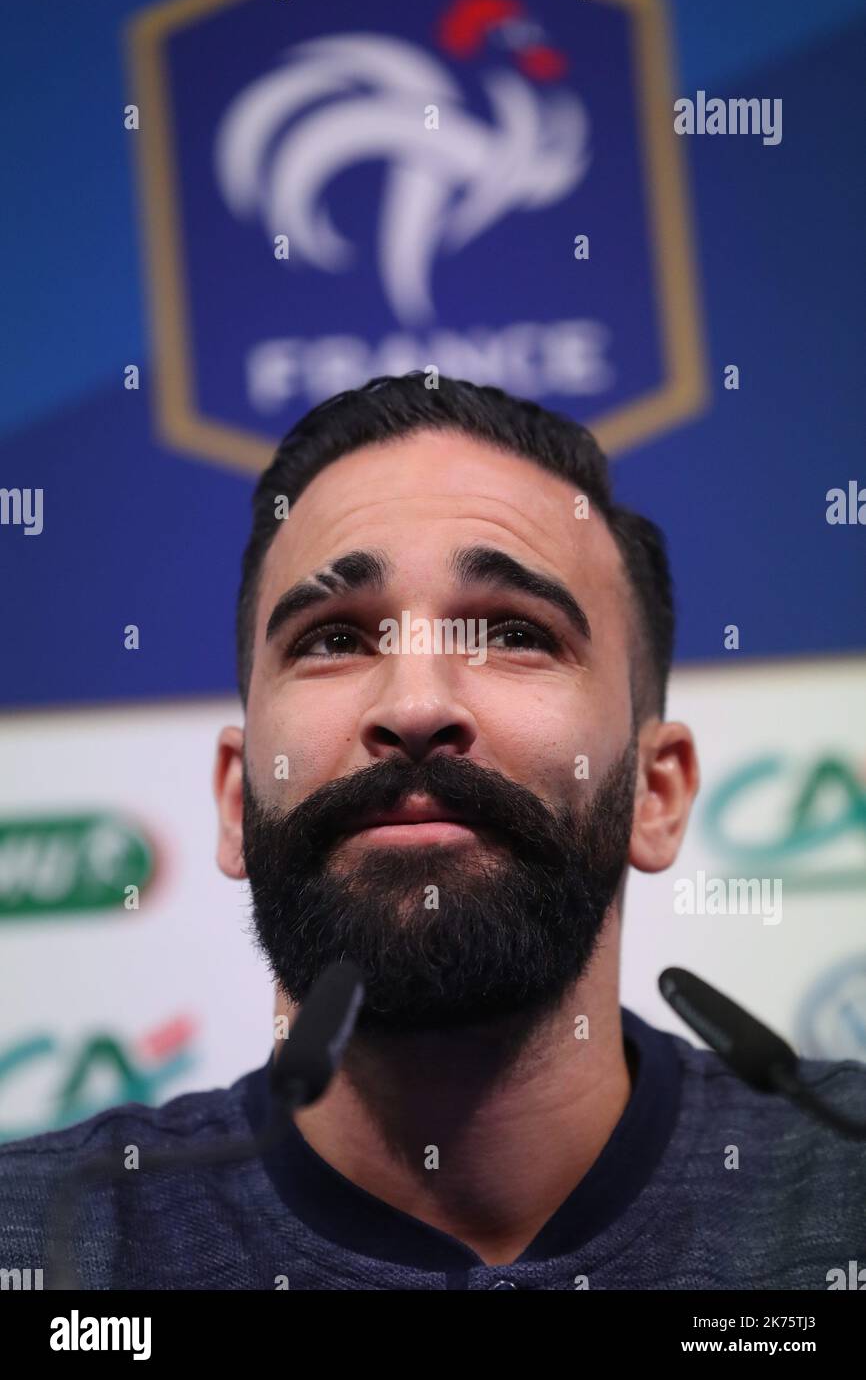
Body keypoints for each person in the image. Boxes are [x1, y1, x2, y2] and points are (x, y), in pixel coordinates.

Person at [1, 374, 863, 1291]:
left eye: (513, 633)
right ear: (232, 802)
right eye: (334, 639)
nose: (415, 706)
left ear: (658, 794)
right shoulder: (46, 1243)